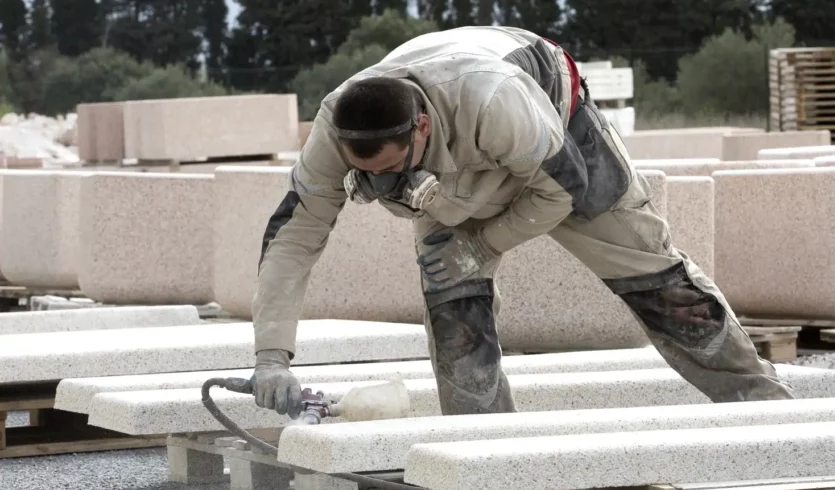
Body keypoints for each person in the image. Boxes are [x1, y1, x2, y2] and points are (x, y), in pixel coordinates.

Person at [250, 25, 795, 418]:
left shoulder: (493, 99)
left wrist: (485, 243)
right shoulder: (333, 129)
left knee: (656, 282)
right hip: (454, 171)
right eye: (369, 174)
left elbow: (564, 187)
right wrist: (271, 357)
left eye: (393, 170)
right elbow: (294, 238)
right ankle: (487, 465)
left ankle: (768, 414)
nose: (385, 184)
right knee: (455, 317)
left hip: (557, 132)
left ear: (419, 127)